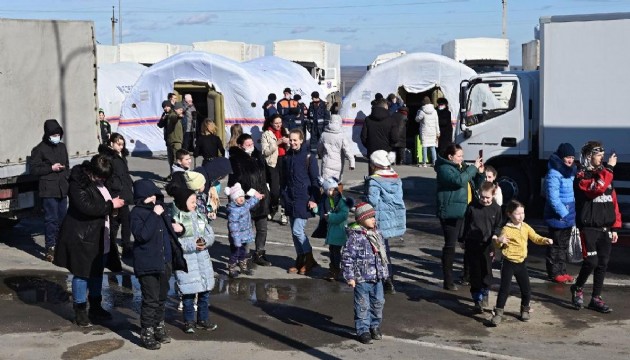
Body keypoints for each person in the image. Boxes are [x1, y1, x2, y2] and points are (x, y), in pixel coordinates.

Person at [53, 154, 125, 327]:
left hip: (100, 235)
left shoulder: (100, 181)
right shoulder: (78, 182)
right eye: (101, 176)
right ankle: (79, 310)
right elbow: (86, 207)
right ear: (93, 171)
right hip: (82, 237)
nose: (102, 179)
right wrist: (110, 206)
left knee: (97, 272)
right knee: (82, 273)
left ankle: (96, 306)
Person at [130, 179, 187, 350]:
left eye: (155, 195)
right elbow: (142, 236)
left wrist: (180, 228)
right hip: (147, 263)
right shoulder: (137, 213)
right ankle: (146, 331)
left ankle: (158, 326)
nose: (154, 199)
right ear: (141, 197)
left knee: (162, 298)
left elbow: (169, 231)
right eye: (149, 196)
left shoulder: (162, 210)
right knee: (151, 299)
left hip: (165, 261)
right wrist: (154, 214)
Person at [570, 141, 621, 313]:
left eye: (602, 154)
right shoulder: (582, 175)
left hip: (605, 227)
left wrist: (615, 227)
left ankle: (596, 298)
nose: (602, 158)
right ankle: (577, 287)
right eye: (598, 155)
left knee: (603, 263)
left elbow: (613, 202)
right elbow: (596, 189)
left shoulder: (605, 174)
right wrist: (610, 169)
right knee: (591, 261)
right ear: (589, 156)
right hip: (589, 226)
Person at [490, 200, 553, 326]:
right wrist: (499, 240)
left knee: (526, 289)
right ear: (509, 214)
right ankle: (498, 313)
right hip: (508, 262)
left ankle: (525, 310)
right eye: (518, 213)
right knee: (504, 289)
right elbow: (498, 244)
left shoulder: (525, 227)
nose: (521, 216)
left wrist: (544, 240)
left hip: (521, 263)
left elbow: (535, 237)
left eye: (522, 213)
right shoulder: (506, 229)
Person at [435, 144, 484, 290]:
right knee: (450, 245)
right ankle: (448, 281)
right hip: (451, 212)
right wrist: (473, 168)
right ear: (450, 157)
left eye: (462, 156)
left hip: (466, 210)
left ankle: (467, 276)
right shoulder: (444, 169)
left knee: (469, 244)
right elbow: (458, 181)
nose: (462, 159)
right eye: (459, 156)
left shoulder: (462, 167)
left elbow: (473, 184)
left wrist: (479, 173)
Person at [171, 187, 218, 334]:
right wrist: (193, 244)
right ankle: (188, 321)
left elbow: (210, 234)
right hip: (187, 263)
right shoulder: (176, 219)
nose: (195, 204)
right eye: (191, 201)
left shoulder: (199, 216)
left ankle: (203, 320)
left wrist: (205, 241)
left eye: (195, 201)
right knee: (188, 295)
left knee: (204, 293)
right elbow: (176, 243)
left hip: (203, 261)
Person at [342, 202, 388, 345]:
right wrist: (350, 276)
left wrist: (385, 272)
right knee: (362, 305)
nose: (373, 219)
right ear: (361, 219)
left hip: (377, 277)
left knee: (378, 303)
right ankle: (363, 330)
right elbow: (347, 257)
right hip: (361, 278)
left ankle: (374, 326)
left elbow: (382, 255)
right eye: (370, 217)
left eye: (374, 216)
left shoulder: (377, 233)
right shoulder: (355, 237)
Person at [228, 134, 272, 266]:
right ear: (241, 145)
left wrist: (267, 186)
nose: (250, 146)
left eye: (251, 143)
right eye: (247, 144)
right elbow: (237, 178)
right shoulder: (236, 159)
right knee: (245, 228)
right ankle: (243, 256)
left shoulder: (258, 155)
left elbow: (265, 173)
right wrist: (250, 191)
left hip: (262, 196)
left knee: (262, 227)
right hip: (246, 198)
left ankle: (259, 253)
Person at [365, 150, 406, 294]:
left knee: (379, 249)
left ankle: (386, 279)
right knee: (384, 248)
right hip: (392, 218)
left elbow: (372, 201)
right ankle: (388, 277)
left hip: (379, 219)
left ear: (375, 164)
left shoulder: (375, 181)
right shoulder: (396, 178)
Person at [460, 182, 503, 313]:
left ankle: (485, 292)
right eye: (482, 197)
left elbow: (498, 225)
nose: (484, 200)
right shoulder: (472, 206)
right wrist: (462, 239)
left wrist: (496, 236)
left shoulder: (496, 209)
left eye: (487, 198)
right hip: (472, 243)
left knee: (487, 271)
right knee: (475, 271)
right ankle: (477, 298)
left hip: (487, 245)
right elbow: (465, 223)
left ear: (493, 195)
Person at [30, 119, 70, 261]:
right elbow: (34, 169)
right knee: (51, 220)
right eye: (53, 134)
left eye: (58, 134)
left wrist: (66, 175)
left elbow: (67, 165)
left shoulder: (62, 147)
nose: (56, 136)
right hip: (49, 189)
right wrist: (50, 168)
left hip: (62, 189)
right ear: (47, 134)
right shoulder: (39, 149)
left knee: (63, 219)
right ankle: (50, 248)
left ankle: (62, 246)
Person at [282, 128, 321, 275]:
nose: (292, 143)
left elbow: (315, 180)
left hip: (303, 198)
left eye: (295, 140)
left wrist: (313, 199)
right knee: (294, 232)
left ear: (301, 140)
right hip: (290, 198)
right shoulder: (287, 157)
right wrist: (283, 195)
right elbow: (284, 178)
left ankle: (309, 258)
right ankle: (300, 259)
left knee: (298, 230)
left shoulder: (309, 157)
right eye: (290, 140)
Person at [543, 143, 577, 283]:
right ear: (561, 157)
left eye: (572, 157)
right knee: (555, 245)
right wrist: (563, 213)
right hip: (558, 215)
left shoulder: (570, 172)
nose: (570, 160)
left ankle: (562, 271)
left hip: (567, 214)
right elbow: (552, 197)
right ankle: (554, 273)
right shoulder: (554, 173)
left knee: (563, 245)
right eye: (567, 157)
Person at [98, 133, 134, 258]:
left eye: (122, 144)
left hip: (124, 192)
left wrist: (129, 184)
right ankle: (112, 247)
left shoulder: (122, 156)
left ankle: (126, 245)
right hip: (116, 193)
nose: (120, 146)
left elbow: (125, 174)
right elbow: (107, 176)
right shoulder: (108, 157)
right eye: (118, 144)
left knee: (125, 221)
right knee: (114, 222)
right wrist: (114, 187)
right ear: (111, 144)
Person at [225, 183, 264, 277]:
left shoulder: (244, 205)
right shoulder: (233, 211)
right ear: (234, 199)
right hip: (237, 237)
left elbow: (250, 203)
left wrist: (257, 197)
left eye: (242, 196)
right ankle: (232, 268)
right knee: (235, 253)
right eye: (239, 197)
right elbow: (233, 227)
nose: (242, 198)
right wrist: (236, 240)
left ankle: (243, 267)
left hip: (244, 235)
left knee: (243, 253)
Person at [261, 114, 290, 225]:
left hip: (284, 161)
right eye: (276, 123)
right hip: (273, 163)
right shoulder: (266, 134)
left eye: (280, 122)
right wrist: (276, 143)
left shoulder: (285, 130)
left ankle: (283, 213)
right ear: (271, 123)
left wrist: (288, 142)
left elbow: (292, 146)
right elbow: (265, 152)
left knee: (284, 188)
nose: (279, 125)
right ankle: (273, 208)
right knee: (274, 190)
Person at [321, 178, 350, 281]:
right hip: (333, 232)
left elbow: (343, 215)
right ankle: (333, 269)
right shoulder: (331, 200)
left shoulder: (341, 201)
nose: (328, 192)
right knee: (332, 251)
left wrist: (330, 217)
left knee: (336, 252)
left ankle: (336, 270)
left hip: (339, 232)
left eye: (330, 190)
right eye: (327, 190)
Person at [318, 114, 355, 185]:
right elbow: (347, 150)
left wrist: (321, 154)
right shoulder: (342, 135)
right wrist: (352, 162)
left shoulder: (324, 134)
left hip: (326, 162)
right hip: (338, 162)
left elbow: (319, 148)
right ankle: (336, 195)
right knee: (336, 183)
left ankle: (325, 195)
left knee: (326, 183)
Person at [360, 99, 396, 168]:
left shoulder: (368, 119)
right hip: (386, 152)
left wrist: (369, 146)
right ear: (385, 107)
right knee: (385, 175)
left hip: (372, 152)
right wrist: (389, 147)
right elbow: (395, 138)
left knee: (373, 175)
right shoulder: (391, 120)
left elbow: (363, 137)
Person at [415, 96, 440, 167]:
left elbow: (417, 119)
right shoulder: (434, 111)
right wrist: (438, 132)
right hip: (433, 132)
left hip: (425, 132)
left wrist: (418, 113)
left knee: (424, 147)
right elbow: (436, 122)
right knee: (432, 147)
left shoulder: (422, 111)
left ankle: (424, 163)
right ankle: (434, 162)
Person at [157, 100, 173, 178]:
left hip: (174, 138)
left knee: (175, 158)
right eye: (164, 107)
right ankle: (172, 173)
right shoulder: (165, 114)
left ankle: (176, 174)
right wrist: (163, 118)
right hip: (167, 139)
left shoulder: (173, 113)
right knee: (170, 158)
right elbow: (160, 125)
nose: (165, 108)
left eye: (167, 106)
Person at [167, 102, 185, 167]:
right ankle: (176, 175)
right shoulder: (173, 115)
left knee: (173, 159)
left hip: (175, 140)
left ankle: (173, 174)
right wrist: (177, 116)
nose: (181, 111)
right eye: (180, 110)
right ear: (176, 109)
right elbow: (173, 118)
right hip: (175, 141)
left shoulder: (177, 117)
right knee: (177, 159)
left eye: (182, 110)